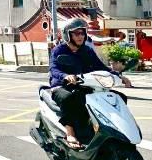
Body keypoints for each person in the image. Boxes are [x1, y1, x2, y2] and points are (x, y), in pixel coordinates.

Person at [49, 19, 131, 149]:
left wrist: (119, 76)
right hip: (61, 85)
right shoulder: (58, 50)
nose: (80, 36)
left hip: (83, 84)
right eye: (76, 33)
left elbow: (100, 67)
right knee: (68, 98)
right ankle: (70, 133)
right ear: (67, 35)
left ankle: (107, 128)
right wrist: (65, 76)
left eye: (82, 33)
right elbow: (54, 69)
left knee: (117, 98)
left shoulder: (87, 50)